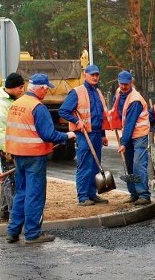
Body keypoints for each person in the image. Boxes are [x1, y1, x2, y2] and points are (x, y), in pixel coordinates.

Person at [5, 73, 75, 244]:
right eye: (46, 89)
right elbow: (48, 134)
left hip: (18, 154)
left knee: (21, 193)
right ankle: (32, 233)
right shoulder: (38, 107)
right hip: (34, 156)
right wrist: (67, 136)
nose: (46, 92)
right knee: (34, 195)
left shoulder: (16, 104)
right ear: (41, 89)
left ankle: (13, 231)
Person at [58, 64, 110, 206]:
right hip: (84, 134)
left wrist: (103, 134)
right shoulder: (77, 92)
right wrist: (76, 121)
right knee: (85, 165)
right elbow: (63, 111)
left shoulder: (98, 92)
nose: (94, 77)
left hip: (96, 134)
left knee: (95, 166)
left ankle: (92, 194)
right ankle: (83, 197)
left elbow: (100, 115)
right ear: (85, 75)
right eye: (92, 74)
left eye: (97, 75)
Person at [0, 72, 25, 223]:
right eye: (21, 87)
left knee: (7, 179)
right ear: (13, 87)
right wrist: (6, 149)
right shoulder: (0, 104)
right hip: (6, 149)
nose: (23, 90)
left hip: (11, 146)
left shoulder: (10, 101)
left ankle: (4, 212)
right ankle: (13, 214)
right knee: (11, 181)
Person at [110, 70, 151, 205]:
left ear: (131, 83)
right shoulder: (120, 94)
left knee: (138, 165)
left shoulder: (135, 100)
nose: (123, 87)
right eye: (121, 84)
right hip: (128, 134)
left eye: (125, 85)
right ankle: (133, 194)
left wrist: (124, 142)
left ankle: (144, 195)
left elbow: (131, 123)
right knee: (129, 166)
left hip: (139, 135)